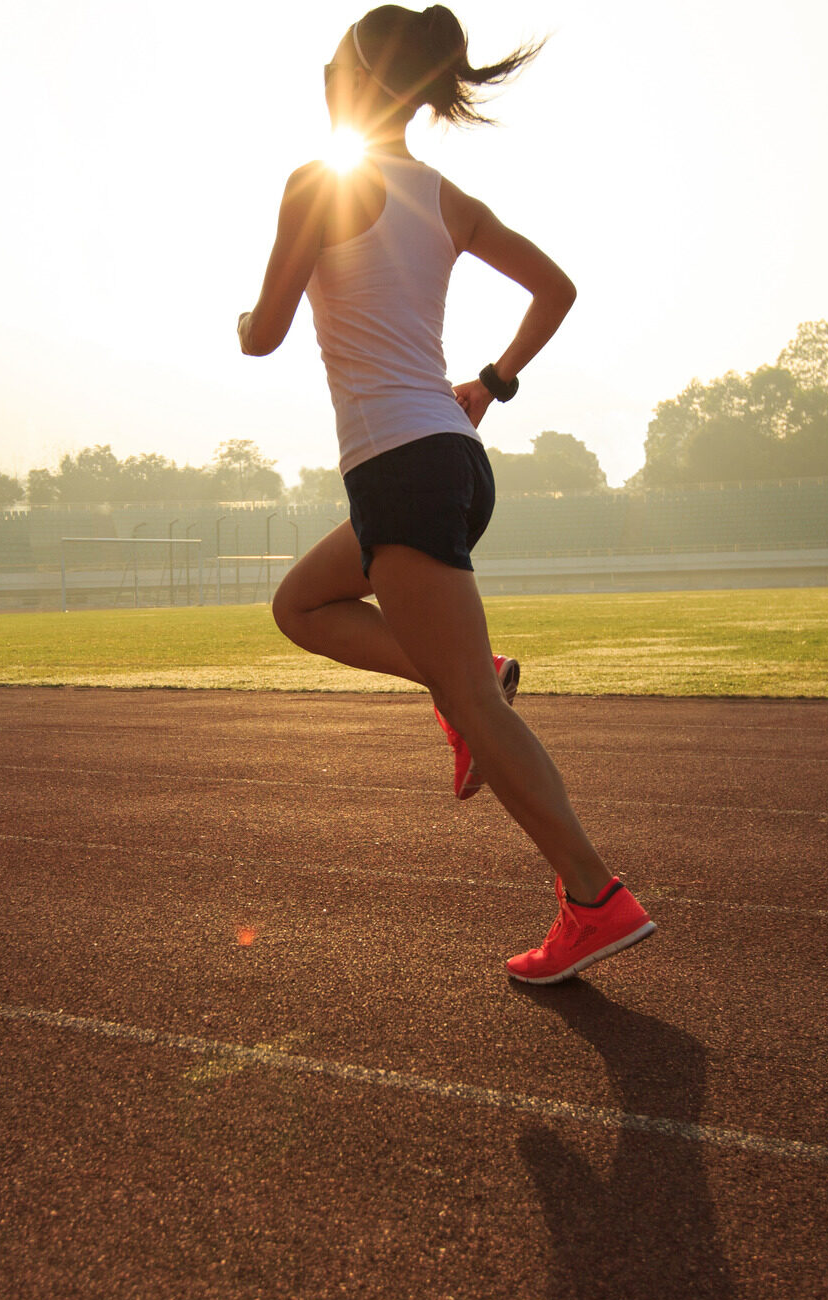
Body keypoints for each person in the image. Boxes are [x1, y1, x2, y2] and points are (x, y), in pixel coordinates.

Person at [237, 4, 653, 986]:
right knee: (301, 603)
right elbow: (555, 287)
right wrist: (490, 383)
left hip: (398, 466)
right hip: (451, 460)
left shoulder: (316, 184)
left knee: (467, 697)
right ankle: (475, 675)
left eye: (331, 60)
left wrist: (240, 319)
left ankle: (593, 898)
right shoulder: (444, 196)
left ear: (354, 77)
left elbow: (264, 334)